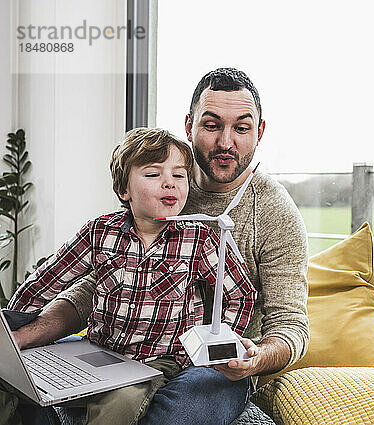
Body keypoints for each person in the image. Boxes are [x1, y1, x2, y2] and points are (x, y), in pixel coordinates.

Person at [9, 68, 310, 424]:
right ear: (189, 125)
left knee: (176, 413)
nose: (226, 142)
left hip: (214, 363)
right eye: (212, 125)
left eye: (241, 128)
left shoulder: (275, 214)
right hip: (120, 345)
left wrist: (255, 357)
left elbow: (290, 323)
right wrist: (27, 332)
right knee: (22, 380)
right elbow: (101, 278)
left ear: (259, 132)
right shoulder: (156, 179)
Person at [2, 127, 256, 425]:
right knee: (12, 374)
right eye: (153, 174)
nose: (169, 184)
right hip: (97, 349)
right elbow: (46, 281)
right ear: (125, 190)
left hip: (159, 362)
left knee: (120, 402)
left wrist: (217, 341)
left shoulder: (198, 238)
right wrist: (11, 330)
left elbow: (240, 294)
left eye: (179, 175)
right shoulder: (100, 231)